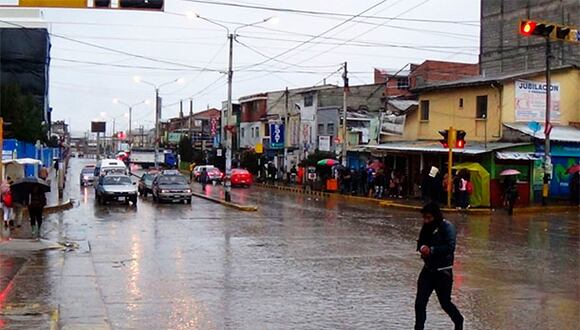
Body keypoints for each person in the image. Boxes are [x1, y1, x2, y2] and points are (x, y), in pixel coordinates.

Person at [415, 203, 464, 330]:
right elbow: (420, 241)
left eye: (428, 218)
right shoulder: (426, 228)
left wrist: (432, 250)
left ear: (435, 216)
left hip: (443, 273)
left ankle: (458, 321)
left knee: (445, 303)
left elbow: (450, 247)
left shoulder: (447, 228)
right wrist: (422, 248)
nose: (426, 221)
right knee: (420, 303)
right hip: (428, 270)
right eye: (424, 218)